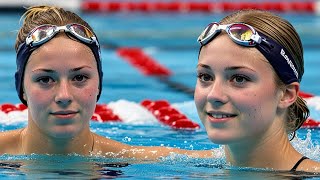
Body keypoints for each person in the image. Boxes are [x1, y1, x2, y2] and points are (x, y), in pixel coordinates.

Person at [0, 5, 213, 159]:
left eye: (79, 78)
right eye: (45, 79)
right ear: (22, 87)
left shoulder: (133, 159)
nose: (64, 95)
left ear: (99, 84)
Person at [195, 9, 320, 172]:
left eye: (239, 79)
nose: (213, 95)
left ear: (287, 95)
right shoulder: (188, 161)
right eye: (205, 77)